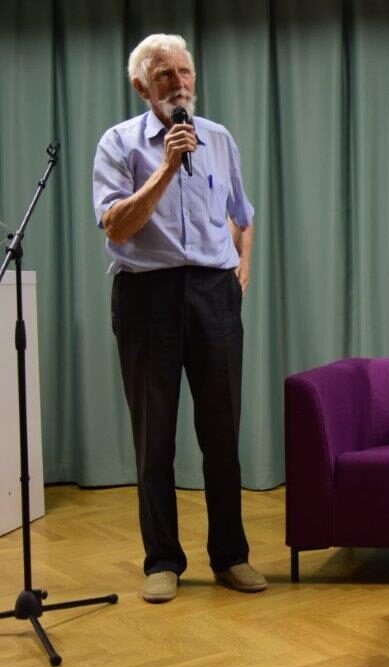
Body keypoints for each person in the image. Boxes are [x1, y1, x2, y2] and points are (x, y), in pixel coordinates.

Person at [92, 34, 265, 603]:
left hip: (213, 293)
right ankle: (162, 559)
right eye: (164, 74)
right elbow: (117, 227)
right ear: (142, 86)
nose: (179, 83)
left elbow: (242, 214)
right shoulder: (119, 143)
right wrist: (167, 167)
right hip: (147, 296)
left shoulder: (219, 138)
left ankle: (231, 556)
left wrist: (240, 267)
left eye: (185, 71)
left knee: (222, 432)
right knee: (154, 435)